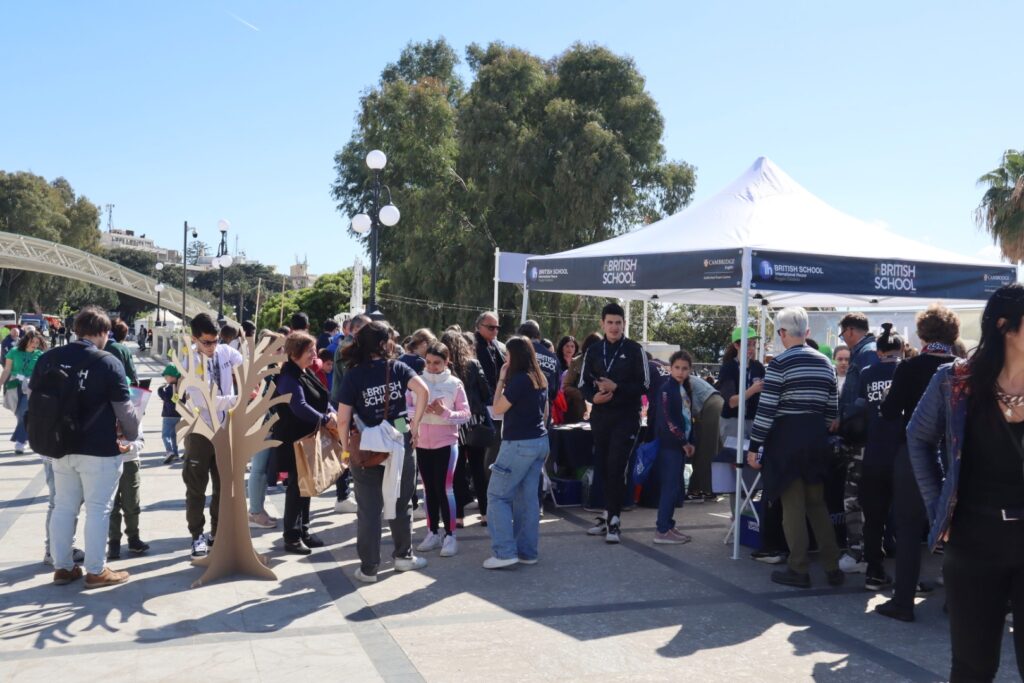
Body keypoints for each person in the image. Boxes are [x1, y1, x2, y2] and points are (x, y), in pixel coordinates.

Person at [906, 285, 1024, 680]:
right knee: (973, 668)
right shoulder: (955, 381)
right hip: (975, 540)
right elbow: (918, 438)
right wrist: (938, 505)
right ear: (1006, 326)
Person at [32, 306, 140, 588]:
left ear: (77, 329)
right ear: (104, 332)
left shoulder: (48, 358)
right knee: (98, 508)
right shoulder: (108, 362)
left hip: (59, 446)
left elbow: (34, 398)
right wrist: (133, 435)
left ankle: (63, 567)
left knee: (64, 507)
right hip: (99, 449)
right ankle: (96, 570)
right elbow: (124, 409)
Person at [747, 307, 843, 589]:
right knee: (817, 505)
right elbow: (831, 412)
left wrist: (755, 446)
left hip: (786, 442)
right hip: (815, 441)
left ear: (782, 333)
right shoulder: (826, 363)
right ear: (808, 333)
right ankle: (832, 567)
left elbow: (766, 411)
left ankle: (798, 569)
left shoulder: (778, 364)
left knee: (792, 507)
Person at [876, 304, 960, 622]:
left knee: (909, 528)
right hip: (954, 456)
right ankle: (955, 600)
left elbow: (889, 411)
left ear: (923, 333)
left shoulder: (910, 368)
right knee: (955, 527)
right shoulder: (962, 368)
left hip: (914, 455)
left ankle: (903, 601)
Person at [337, 321, 429, 582]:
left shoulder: (353, 374)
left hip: (367, 441)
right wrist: (416, 424)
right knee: (401, 502)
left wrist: (346, 448)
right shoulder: (397, 367)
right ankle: (403, 557)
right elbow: (423, 391)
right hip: (399, 432)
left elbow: (343, 419)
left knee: (369, 509)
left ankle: (369, 568)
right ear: (382, 343)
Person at [579, 302, 649, 543]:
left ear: (624, 324)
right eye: (609, 322)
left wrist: (617, 387)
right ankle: (607, 514)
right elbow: (582, 384)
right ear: (602, 324)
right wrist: (593, 397)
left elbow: (645, 385)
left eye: (618, 322)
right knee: (602, 466)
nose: (614, 327)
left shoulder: (634, 349)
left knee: (616, 465)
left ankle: (615, 522)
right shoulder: (594, 350)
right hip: (600, 417)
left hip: (626, 417)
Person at [181, 313, 244, 559]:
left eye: (215, 340)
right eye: (206, 342)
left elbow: (246, 367)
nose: (212, 347)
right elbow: (203, 401)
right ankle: (197, 535)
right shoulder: (189, 361)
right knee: (196, 487)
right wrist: (238, 400)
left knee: (222, 485)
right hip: (200, 430)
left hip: (225, 430)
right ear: (194, 338)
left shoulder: (226, 353)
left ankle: (217, 533)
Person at [482, 336, 549, 568]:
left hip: (519, 444)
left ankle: (504, 553)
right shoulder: (540, 378)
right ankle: (527, 553)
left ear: (516, 356)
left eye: (507, 355)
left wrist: (501, 379)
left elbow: (497, 410)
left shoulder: (519, 380)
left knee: (497, 496)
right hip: (539, 441)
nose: (505, 359)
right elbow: (545, 413)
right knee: (527, 500)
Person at [272, 331, 335, 554]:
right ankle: (291, 536)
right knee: (297, 488)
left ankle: (303, 530)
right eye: (309, 350)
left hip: (307, 438)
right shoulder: (288, 376)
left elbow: (321, 398)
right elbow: (299, 406)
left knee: (306, 485)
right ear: (296, 352)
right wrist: (327, 419)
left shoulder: (303, 372)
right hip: (294, 440)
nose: (314, 354)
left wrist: (331, 412)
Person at [411, 342, 470, 557]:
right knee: (428, 489)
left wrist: (445, 412)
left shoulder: (455, 384)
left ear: (447, 362)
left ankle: (450, 535)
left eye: (437, 363)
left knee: (445, 489)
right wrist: (415, 414)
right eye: (428, 362)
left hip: (446, 443)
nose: (432, 367)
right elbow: (404, 409)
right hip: (421, 444)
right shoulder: (416, 382)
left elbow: (466, 414)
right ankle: (432, 532)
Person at [857, 323, 904, 591]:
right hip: (901, 452)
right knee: (906, 517)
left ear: (878, 352)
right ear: (900, 350)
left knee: (873, 518)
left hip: (874, 452)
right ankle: (909, 577)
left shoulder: (866, 373)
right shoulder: (904, 371)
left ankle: (873, 571)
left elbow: (862, 408)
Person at [441, 330, 493, 525]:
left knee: (457, 470)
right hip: (474, 420)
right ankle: (485, 513)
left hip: (453, 422)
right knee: (478, 468)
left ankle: (459, 516)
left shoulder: (444, 369)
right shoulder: (473, 364)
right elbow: (486, 392)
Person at [654, 350, 696, 544]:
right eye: (677, 367)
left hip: (680, 446)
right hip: (670, 445)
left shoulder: (683, 389)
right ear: (670, 368)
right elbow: (668, 420)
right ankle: (662, 529)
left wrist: (690, 441)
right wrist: (683, 442)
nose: (680, 372)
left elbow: (688, 419)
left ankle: (668, 525)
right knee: (669, 487)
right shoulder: (666, 389)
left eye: (684, 368)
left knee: (675, 486)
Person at [330, 313, 370, 514]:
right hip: (346, 405)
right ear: (355, 330)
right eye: (367, 329)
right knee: (346, 448)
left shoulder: (351, 346)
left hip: (346, 403)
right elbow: (351, 379)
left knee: (348, 447)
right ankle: (343, 495)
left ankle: (344, 493)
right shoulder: (348, 348)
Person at [1, 328, 46, 454]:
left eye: (37, 343)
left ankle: (20, 442)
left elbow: (41, 373)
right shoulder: (14, 352)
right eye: (33, 342)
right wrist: (0, 383)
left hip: (31, 387)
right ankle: (28, 436)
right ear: (26, 340)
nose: (35, 345)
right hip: (14, 385)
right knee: (19, 414)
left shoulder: (39, 355)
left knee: (24, 411)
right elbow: (7, 370)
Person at [107, 426, 149, 560]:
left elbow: (140, 441)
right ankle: (114, 542)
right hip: (108, 463)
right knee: (111, 506)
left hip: (130, 463)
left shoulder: (133, 414)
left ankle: (133, 538)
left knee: (132, 504)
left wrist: (130, 447)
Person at [562, 332, 601, 424]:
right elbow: (566, 386)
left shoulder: (606, 362)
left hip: (602, 410)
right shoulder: (577, 361)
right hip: (579, 411)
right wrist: (585, 394)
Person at [517, 320, 560, 404]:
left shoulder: (521, 352)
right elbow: (555, 391)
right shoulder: (553, 357)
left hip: (522, 406)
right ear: (538, 336)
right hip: (545, 406)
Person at [158, 365, 182, 464]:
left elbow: (167, 399)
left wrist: (160, 391)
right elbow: (180, 400)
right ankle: (175, 453)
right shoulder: (179, 387)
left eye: (166, 376)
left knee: (165, 435)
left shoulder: (169, 388)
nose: (165, 378)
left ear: (172, 377)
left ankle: (169, 451)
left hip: (168, 415)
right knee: (174, 435)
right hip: (177, 414)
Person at [106, 320, 139, 386]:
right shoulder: (123, 349)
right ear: (124, 336)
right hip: (118, 390)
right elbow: (131, 376)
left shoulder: (97, 346)